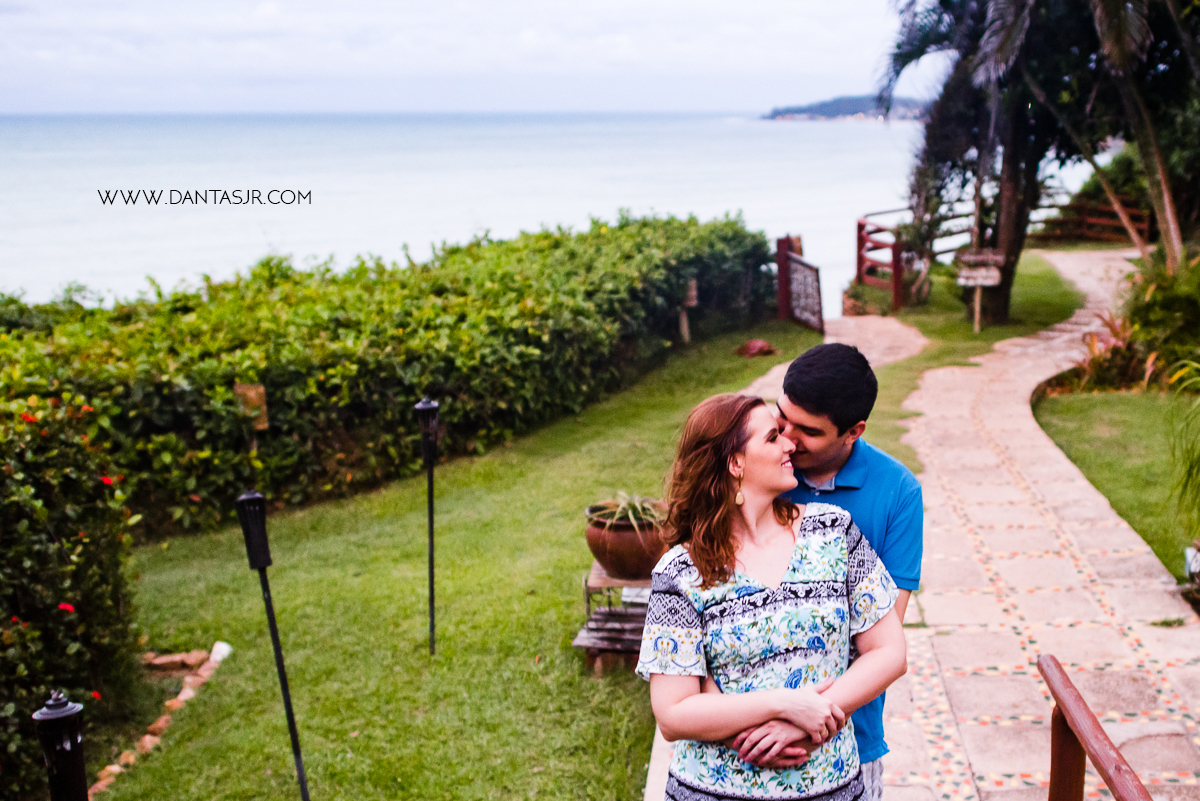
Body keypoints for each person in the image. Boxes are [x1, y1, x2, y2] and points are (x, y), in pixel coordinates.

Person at [638, 393, 907, 801]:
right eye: (773, 437)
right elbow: (674, 714)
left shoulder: (834, 532)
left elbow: (889, 653)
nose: (790, 445)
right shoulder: (680, 572)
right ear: (735, 464)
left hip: (830, 787)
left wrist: (807, 722)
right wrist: (782, 704)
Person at [753, 343, 924, 800]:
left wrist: (804, 719)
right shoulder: (759, 470)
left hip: (845, 733)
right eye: (781, 417)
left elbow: (882, 638)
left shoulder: (898, 493)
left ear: (853, 431)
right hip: (745, 735)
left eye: (807, 431)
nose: (786, 439)